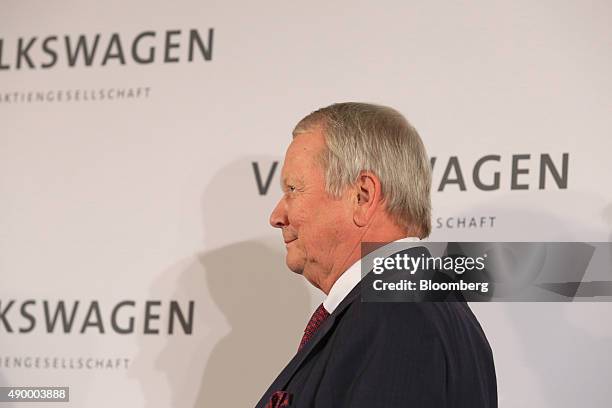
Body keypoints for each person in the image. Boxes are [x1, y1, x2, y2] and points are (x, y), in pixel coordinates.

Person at [256, 102, 497, 408]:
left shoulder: (397, 315)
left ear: (362, 196)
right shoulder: (413, 304)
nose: (277, 216)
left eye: (293, 189)